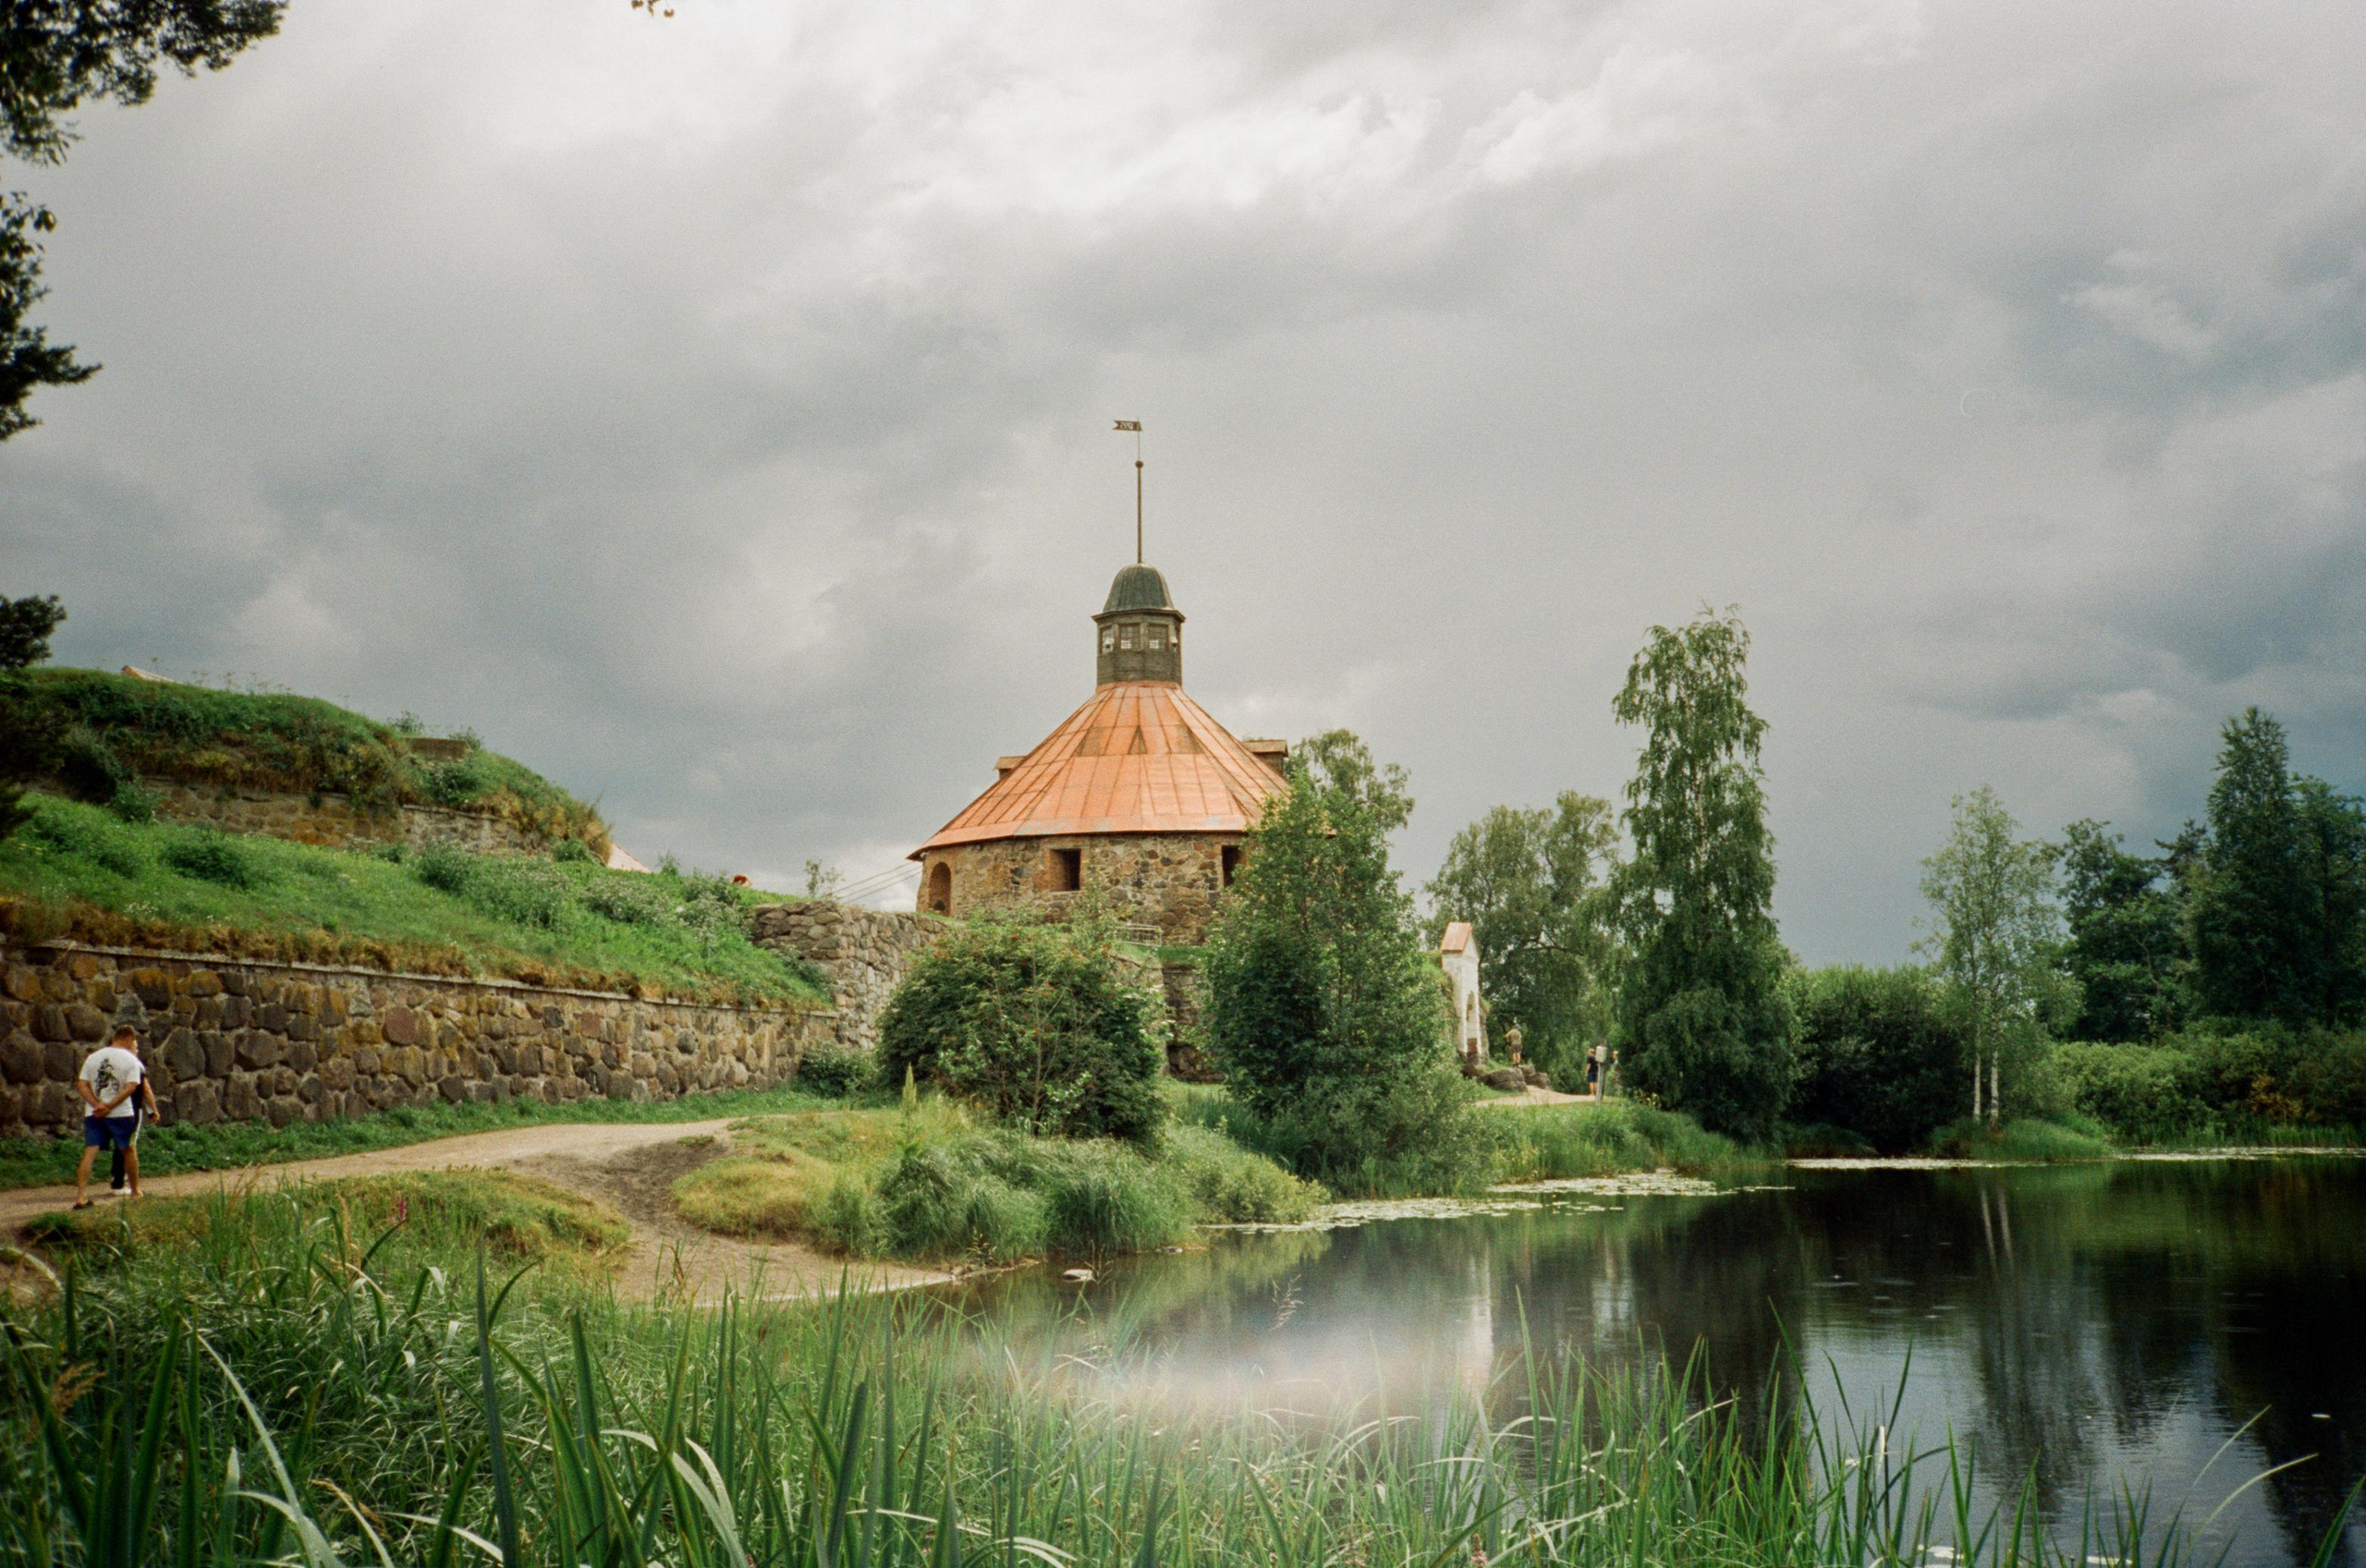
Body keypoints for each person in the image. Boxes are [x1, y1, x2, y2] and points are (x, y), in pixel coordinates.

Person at [75, 1025, 148, 1209]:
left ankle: (81, 1197)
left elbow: (82, 1084)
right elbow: (131, 1087)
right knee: (128, 1150)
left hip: (94, 1112)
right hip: (121, 1113)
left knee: (90, 1152)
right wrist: (110, 1105)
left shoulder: (93, 1057)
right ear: (130, 1039)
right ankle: (135, 1190)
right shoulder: (130, 1059)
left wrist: (96, 1104)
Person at [109, 1064, 162, 1193]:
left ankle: (117, 1177)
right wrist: (153, 1110)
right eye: (135, 1045)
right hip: (132, 1110)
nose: (137, 1049)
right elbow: (146, 1089)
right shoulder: (134, 1064)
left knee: (119, 1143)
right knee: (128, 1146)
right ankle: (119, 1182)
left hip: (113, 1108)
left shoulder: (112, 1062)